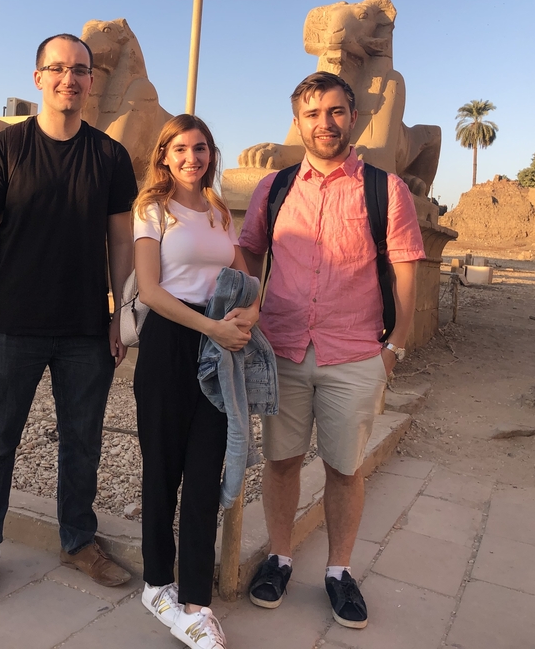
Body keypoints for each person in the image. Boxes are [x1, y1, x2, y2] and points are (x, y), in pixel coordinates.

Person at [239, 71, 425, 628]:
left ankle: (339, 571)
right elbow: (249, 253)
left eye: (336, 111)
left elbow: (405, 270)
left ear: (353, 116)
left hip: (354, 353)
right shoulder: (273, 188)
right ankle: (279, 557)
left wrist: (394, 346)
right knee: (282, 460)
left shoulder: (383, 189)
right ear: (298, 120)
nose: (326, 123)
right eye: (314, 113)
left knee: (345, 469)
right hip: (285, 349)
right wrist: (246, 308)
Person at [0, 33, 137, 600]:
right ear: (38, 79)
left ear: (90, 80)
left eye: (80, 70)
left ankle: (79, 539)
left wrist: (120, 315)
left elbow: (122, 247)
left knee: (82, 443)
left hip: (86, 329)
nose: (70, 79)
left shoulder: (109, 157)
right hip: (11, 325)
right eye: (57, 69)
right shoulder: (4, 150)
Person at [134, 114, 260, 649]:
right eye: (181, 148)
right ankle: (156, 581)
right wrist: (212, 325)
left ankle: (195, 602)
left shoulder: (216, 212)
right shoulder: (152, 210)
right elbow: (149, 288)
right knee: (162, 467)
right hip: (170, 340)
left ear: (211, 154)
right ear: (164, 154)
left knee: (206, 469)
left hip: (215, 346)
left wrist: (249, 315)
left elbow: (243, 277)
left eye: (201, 148)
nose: (192, 157)